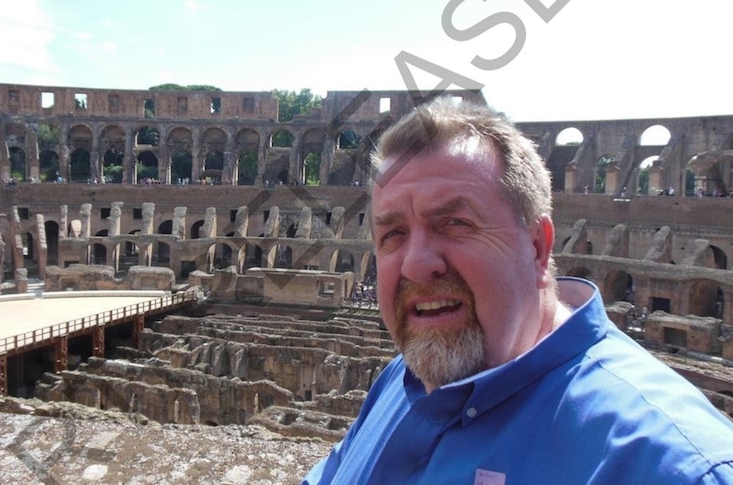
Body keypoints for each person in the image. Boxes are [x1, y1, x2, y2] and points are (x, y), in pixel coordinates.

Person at [302, 99, 733, 484]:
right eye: (392, 233)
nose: (416, 264)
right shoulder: (403, 378)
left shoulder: (672, 465)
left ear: (537, 247)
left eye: (456, 223)